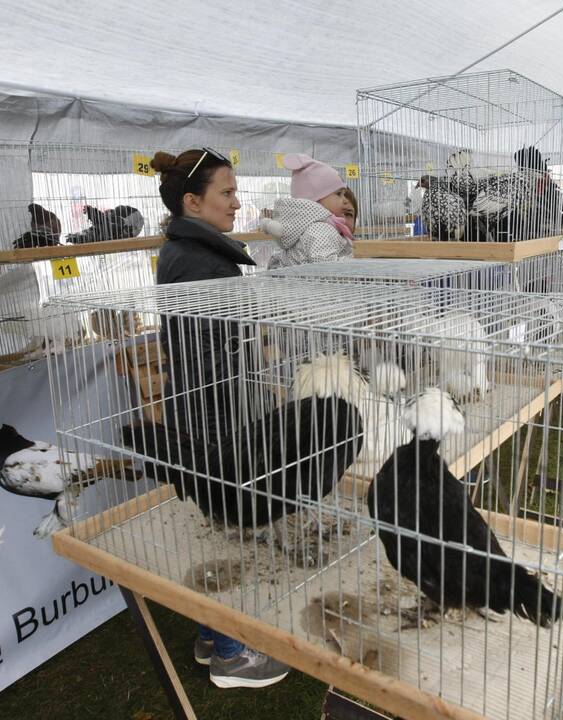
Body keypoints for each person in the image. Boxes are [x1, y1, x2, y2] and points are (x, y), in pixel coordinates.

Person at [149, 147, 290, 689]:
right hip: (212, 413)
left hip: (202, 407)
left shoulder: (186, 250)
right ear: (192, 201)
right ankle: (234, 653)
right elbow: (210, 358)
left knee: (215, 522)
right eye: (226, 193)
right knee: (227, 528)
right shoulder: (202, 262)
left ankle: (213, 637)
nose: (236, 202)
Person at [262, 153, 354, 268]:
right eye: (339, 194)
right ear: (316, 198)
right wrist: (356, 261)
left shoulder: (307, 226)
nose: (345, 200)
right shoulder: (320, 229)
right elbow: (327, 266)